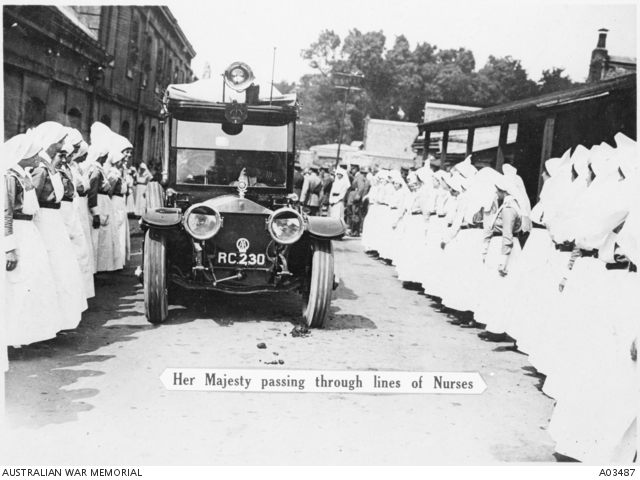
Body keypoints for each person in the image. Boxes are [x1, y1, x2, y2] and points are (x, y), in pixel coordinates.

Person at [4, 133, 62, 346]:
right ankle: (13, 335)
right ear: (23, 155)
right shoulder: (10, 177)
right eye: (34, 153)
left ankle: (28, 333)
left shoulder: (23, 176)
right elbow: (6, 213)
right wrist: (9, 248)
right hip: (19, 233)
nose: (38, 156)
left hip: (29, 231)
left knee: (34, 281)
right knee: (19, 284)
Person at [30, 121, 88, 331]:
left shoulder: (51, 167)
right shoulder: (41, 168)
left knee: (62, 269)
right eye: (61, 140)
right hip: (44, 221)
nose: (64, 144)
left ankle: (60, 319)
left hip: (54, 221)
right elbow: (32, 201)